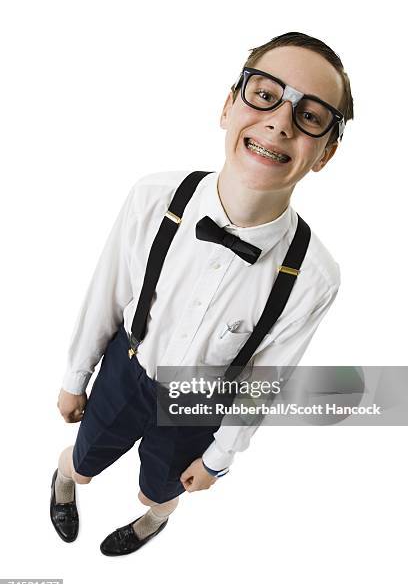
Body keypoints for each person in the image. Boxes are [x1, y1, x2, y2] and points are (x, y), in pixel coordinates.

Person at [50, 31, 354, 556]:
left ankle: (153, 520)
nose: (280, 120)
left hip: (200, 404)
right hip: (129, 367)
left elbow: (265, 380)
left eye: (310, 116)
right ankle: (62, 482)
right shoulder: (155, 197)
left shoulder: (315, 277)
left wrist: (220, 457)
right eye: (265, 93)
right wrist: (76, 376)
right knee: (83, 462)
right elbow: (107, 291)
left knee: (161, 491)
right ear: (227, 107)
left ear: (324, 153)